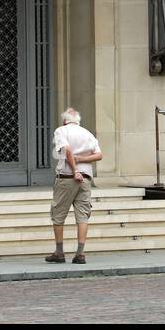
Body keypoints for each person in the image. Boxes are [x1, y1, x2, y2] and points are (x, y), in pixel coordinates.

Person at [47, 107, 102, 264]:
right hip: (86, 178)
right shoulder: (87, 133)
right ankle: (80, 253)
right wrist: (81, 160)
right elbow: (99, 155)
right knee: (83, 215)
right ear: (78, 120)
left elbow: (68, 150)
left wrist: (74, 169)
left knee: (58, 214)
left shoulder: (61, 131)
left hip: (67, 177)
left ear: (65, 120)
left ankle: (59, 252)